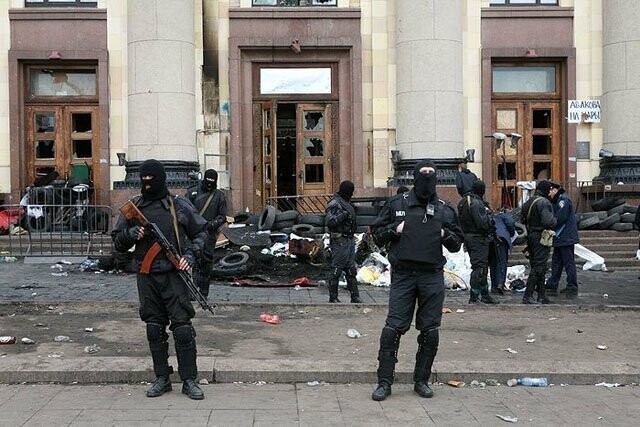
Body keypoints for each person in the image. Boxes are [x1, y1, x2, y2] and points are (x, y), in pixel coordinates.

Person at [112, 159, 208, 400]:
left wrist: (189, 256)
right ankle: (162, 378)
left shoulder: (178, 205)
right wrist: (131, 234)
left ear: (161, 179)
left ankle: (189, 380)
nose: (147, 185)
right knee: (154, 329)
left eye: (151, 181)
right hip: (147, 277)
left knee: (183, 329)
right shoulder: (134, 207)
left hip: (174, 276)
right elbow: (117, 242)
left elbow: (202, 233)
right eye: (143, 181)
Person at [370, 160, 464, 401]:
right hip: (403, 275)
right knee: (392, 329)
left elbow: (456, 244)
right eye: (423, 174)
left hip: (431, 276)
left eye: (431, 174)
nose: (427, 178)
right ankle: (384, 382)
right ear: (414, 177)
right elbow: (377, 237)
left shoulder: (444, 209)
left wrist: (444, 233)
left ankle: (421, 380)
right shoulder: (396, 204)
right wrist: (396, 229)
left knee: (430, 331)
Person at [185, 169, 227, 299]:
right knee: (194, 261)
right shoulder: (193, 192)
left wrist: (211, 225)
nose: (209, 184)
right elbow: (184, 211)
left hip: (209, 235)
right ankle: (193, 292)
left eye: (212, 182)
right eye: (207, 181)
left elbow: (222, 216)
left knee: (206, 263)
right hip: (194, 234)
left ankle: (203, 292)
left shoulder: (219, 196)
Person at [457, 180, 499, 304]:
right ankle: (474, 296)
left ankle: (485, 294)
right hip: (478, 238)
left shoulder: (464, 201)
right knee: (479, 268)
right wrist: (490, 219)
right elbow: (483, 223)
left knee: (482, 266)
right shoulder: (476, 203)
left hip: (469, 237)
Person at [325, 180, 363, 304]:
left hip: (349, 240)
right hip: (340, 241)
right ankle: (333, 297)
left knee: (351, 270)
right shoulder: (335, 203)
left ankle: (355, 297)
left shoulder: (346, 202)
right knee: (336, 270)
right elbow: (330, 222)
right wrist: (344, 214)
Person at [520, 180, 557, 305]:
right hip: (541, 236)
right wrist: (554, 220)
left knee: (538, 265)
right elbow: (548, 221)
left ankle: (541, 296)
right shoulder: (544, 202)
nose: (551, 192)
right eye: (550, 189)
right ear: (546, 190)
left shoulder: (529, 202)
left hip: (531, 236)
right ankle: (528, 295)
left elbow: (522, 218)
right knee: (539, 266)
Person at [545, 181, 579, 297]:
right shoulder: (559, 200)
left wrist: (550, 223)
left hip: (565, 237)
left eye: (550, 192)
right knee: (557, 261)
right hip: (561, 237)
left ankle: (572, 286)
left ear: (554, 190)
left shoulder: (563, 200)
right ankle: (552, 283)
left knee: (568, 262)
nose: (549, 195)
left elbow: (560, 218)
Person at [489, 211, 516, 295]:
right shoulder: (503, 216)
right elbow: (511, 223)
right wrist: (511, 233)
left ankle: (494, 285)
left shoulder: (490, 216)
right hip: (501, 238)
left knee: (493, 262)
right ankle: (500, 284)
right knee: (502, 261)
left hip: (490, 238)